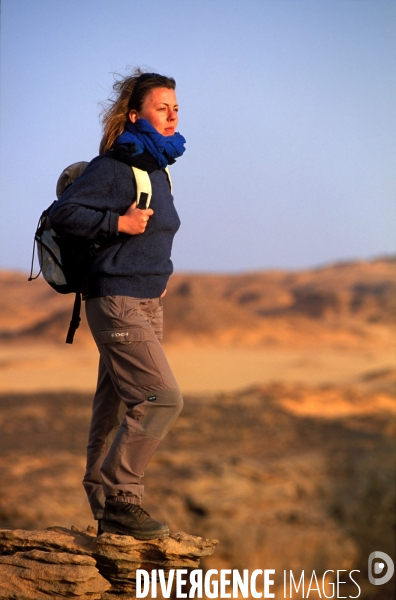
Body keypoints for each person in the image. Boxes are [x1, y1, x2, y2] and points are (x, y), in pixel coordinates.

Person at [49, 69, 186, 539]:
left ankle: (105, 509)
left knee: (114, 408)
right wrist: (116, 225)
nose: (171, 116)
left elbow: (156, 235)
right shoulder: (114, 166)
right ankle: (124, 498)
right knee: (161, 398)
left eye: (175, 108)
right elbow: (63, 214)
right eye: (160, 108)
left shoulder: (159, 168)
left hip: (148, 302)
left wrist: (158, 276)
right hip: (118, 302)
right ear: (134, 115)